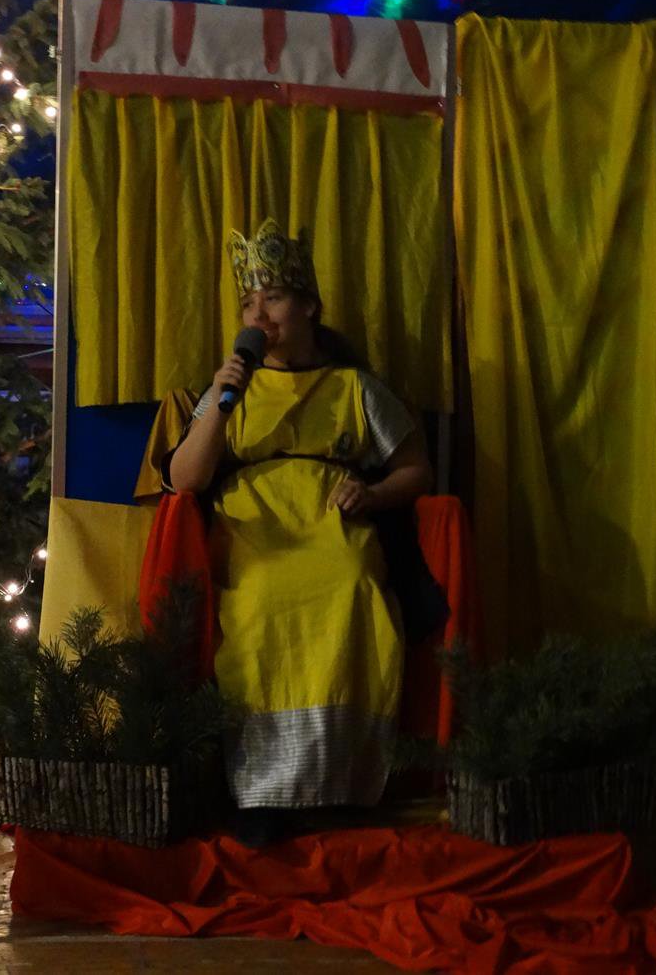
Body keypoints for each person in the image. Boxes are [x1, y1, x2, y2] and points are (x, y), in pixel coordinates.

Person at [167, 218, 433, 845]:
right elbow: (184, 478)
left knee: (351, 588)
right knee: (260, 599)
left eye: (274, 298)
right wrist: (221, 399)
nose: (259, 314)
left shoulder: (353, 386)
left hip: (331, 524)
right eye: (248, 303)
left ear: (309, 306)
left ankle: (341, 784)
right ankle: (262, 793)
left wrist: (373, 493)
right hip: (254, 529)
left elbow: (416, 468)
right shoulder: (230, 385)